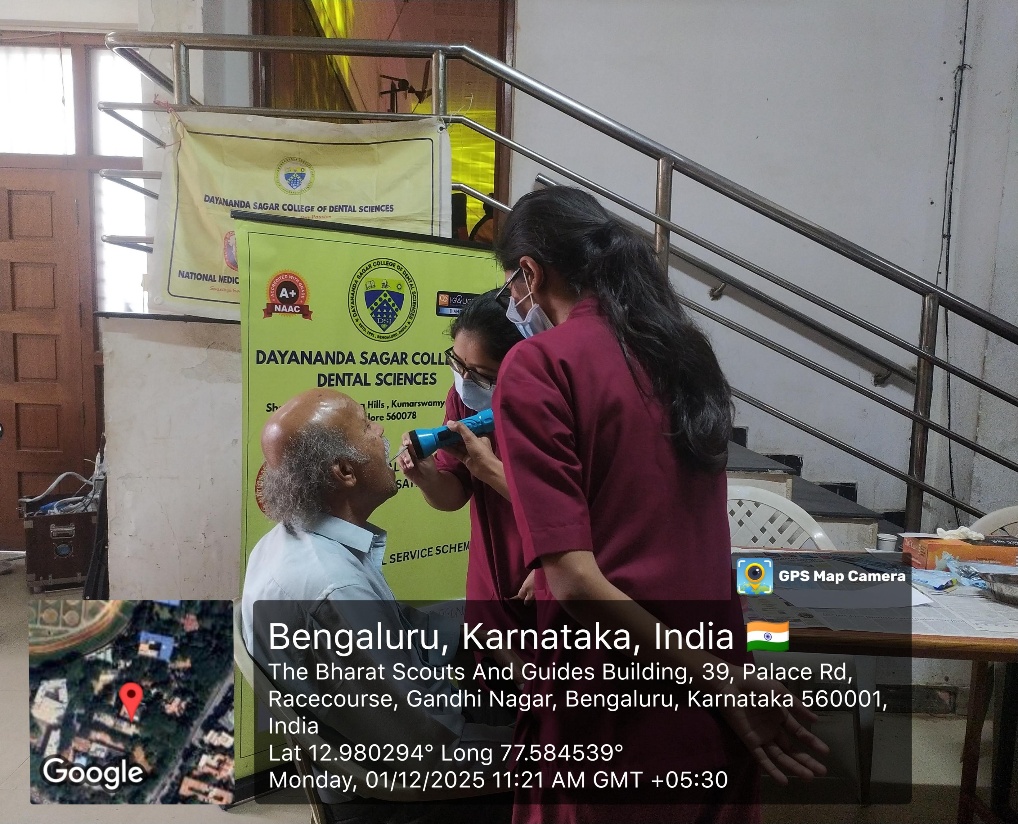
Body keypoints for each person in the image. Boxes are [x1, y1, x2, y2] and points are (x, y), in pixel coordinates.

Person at [490, 187, 829, 822]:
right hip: (711, 656)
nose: (514, 303)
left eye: (512, 285)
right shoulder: (680, 352)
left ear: (531, 273)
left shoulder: (538, 366)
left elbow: (575, 580)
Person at [241, 389, 512, 823]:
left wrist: (489, 633)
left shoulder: (284, 544)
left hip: (388, 734)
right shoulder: (336, 588)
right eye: (368, 425)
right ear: (344, 471)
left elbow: (401, 635)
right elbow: (429, 753)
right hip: (400, 796)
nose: (382, 431)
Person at [397, 290, 532, 648]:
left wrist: (489, 469)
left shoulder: (549, 410)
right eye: (458, 365)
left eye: (482, 374)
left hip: (548, 578)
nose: (465, 382)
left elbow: (568, 510)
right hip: (491, 583)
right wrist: (427, 478)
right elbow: (454, 494)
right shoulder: (461, 400)